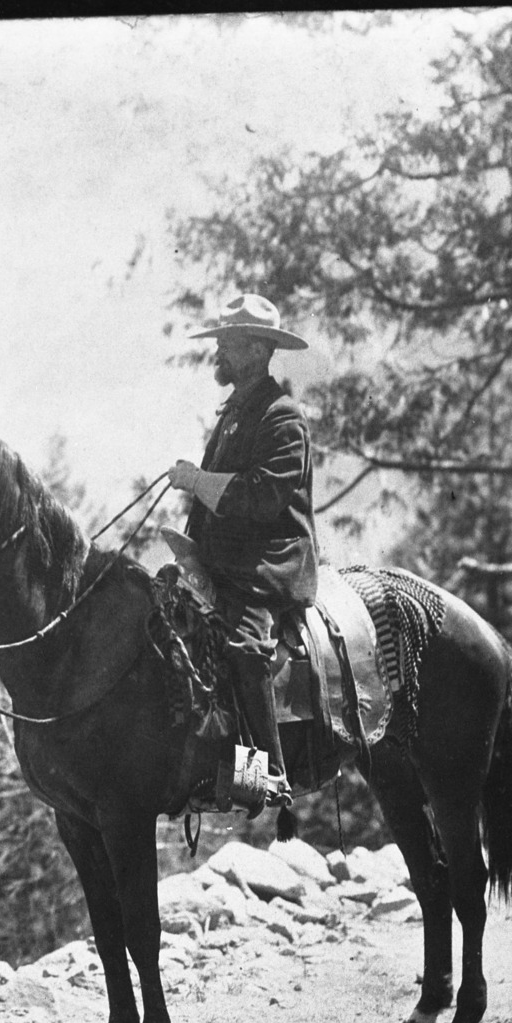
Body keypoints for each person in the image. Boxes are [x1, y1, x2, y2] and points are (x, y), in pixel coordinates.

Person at [166, 293, 323, 808]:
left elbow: (260, 498)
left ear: (257, 351)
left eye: (228, 343)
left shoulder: (283, 417)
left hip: (270, 563)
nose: (219, 352)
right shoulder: (235, 412)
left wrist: (195, 480)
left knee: (242, 644)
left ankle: (265, 775)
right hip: (228, 560)